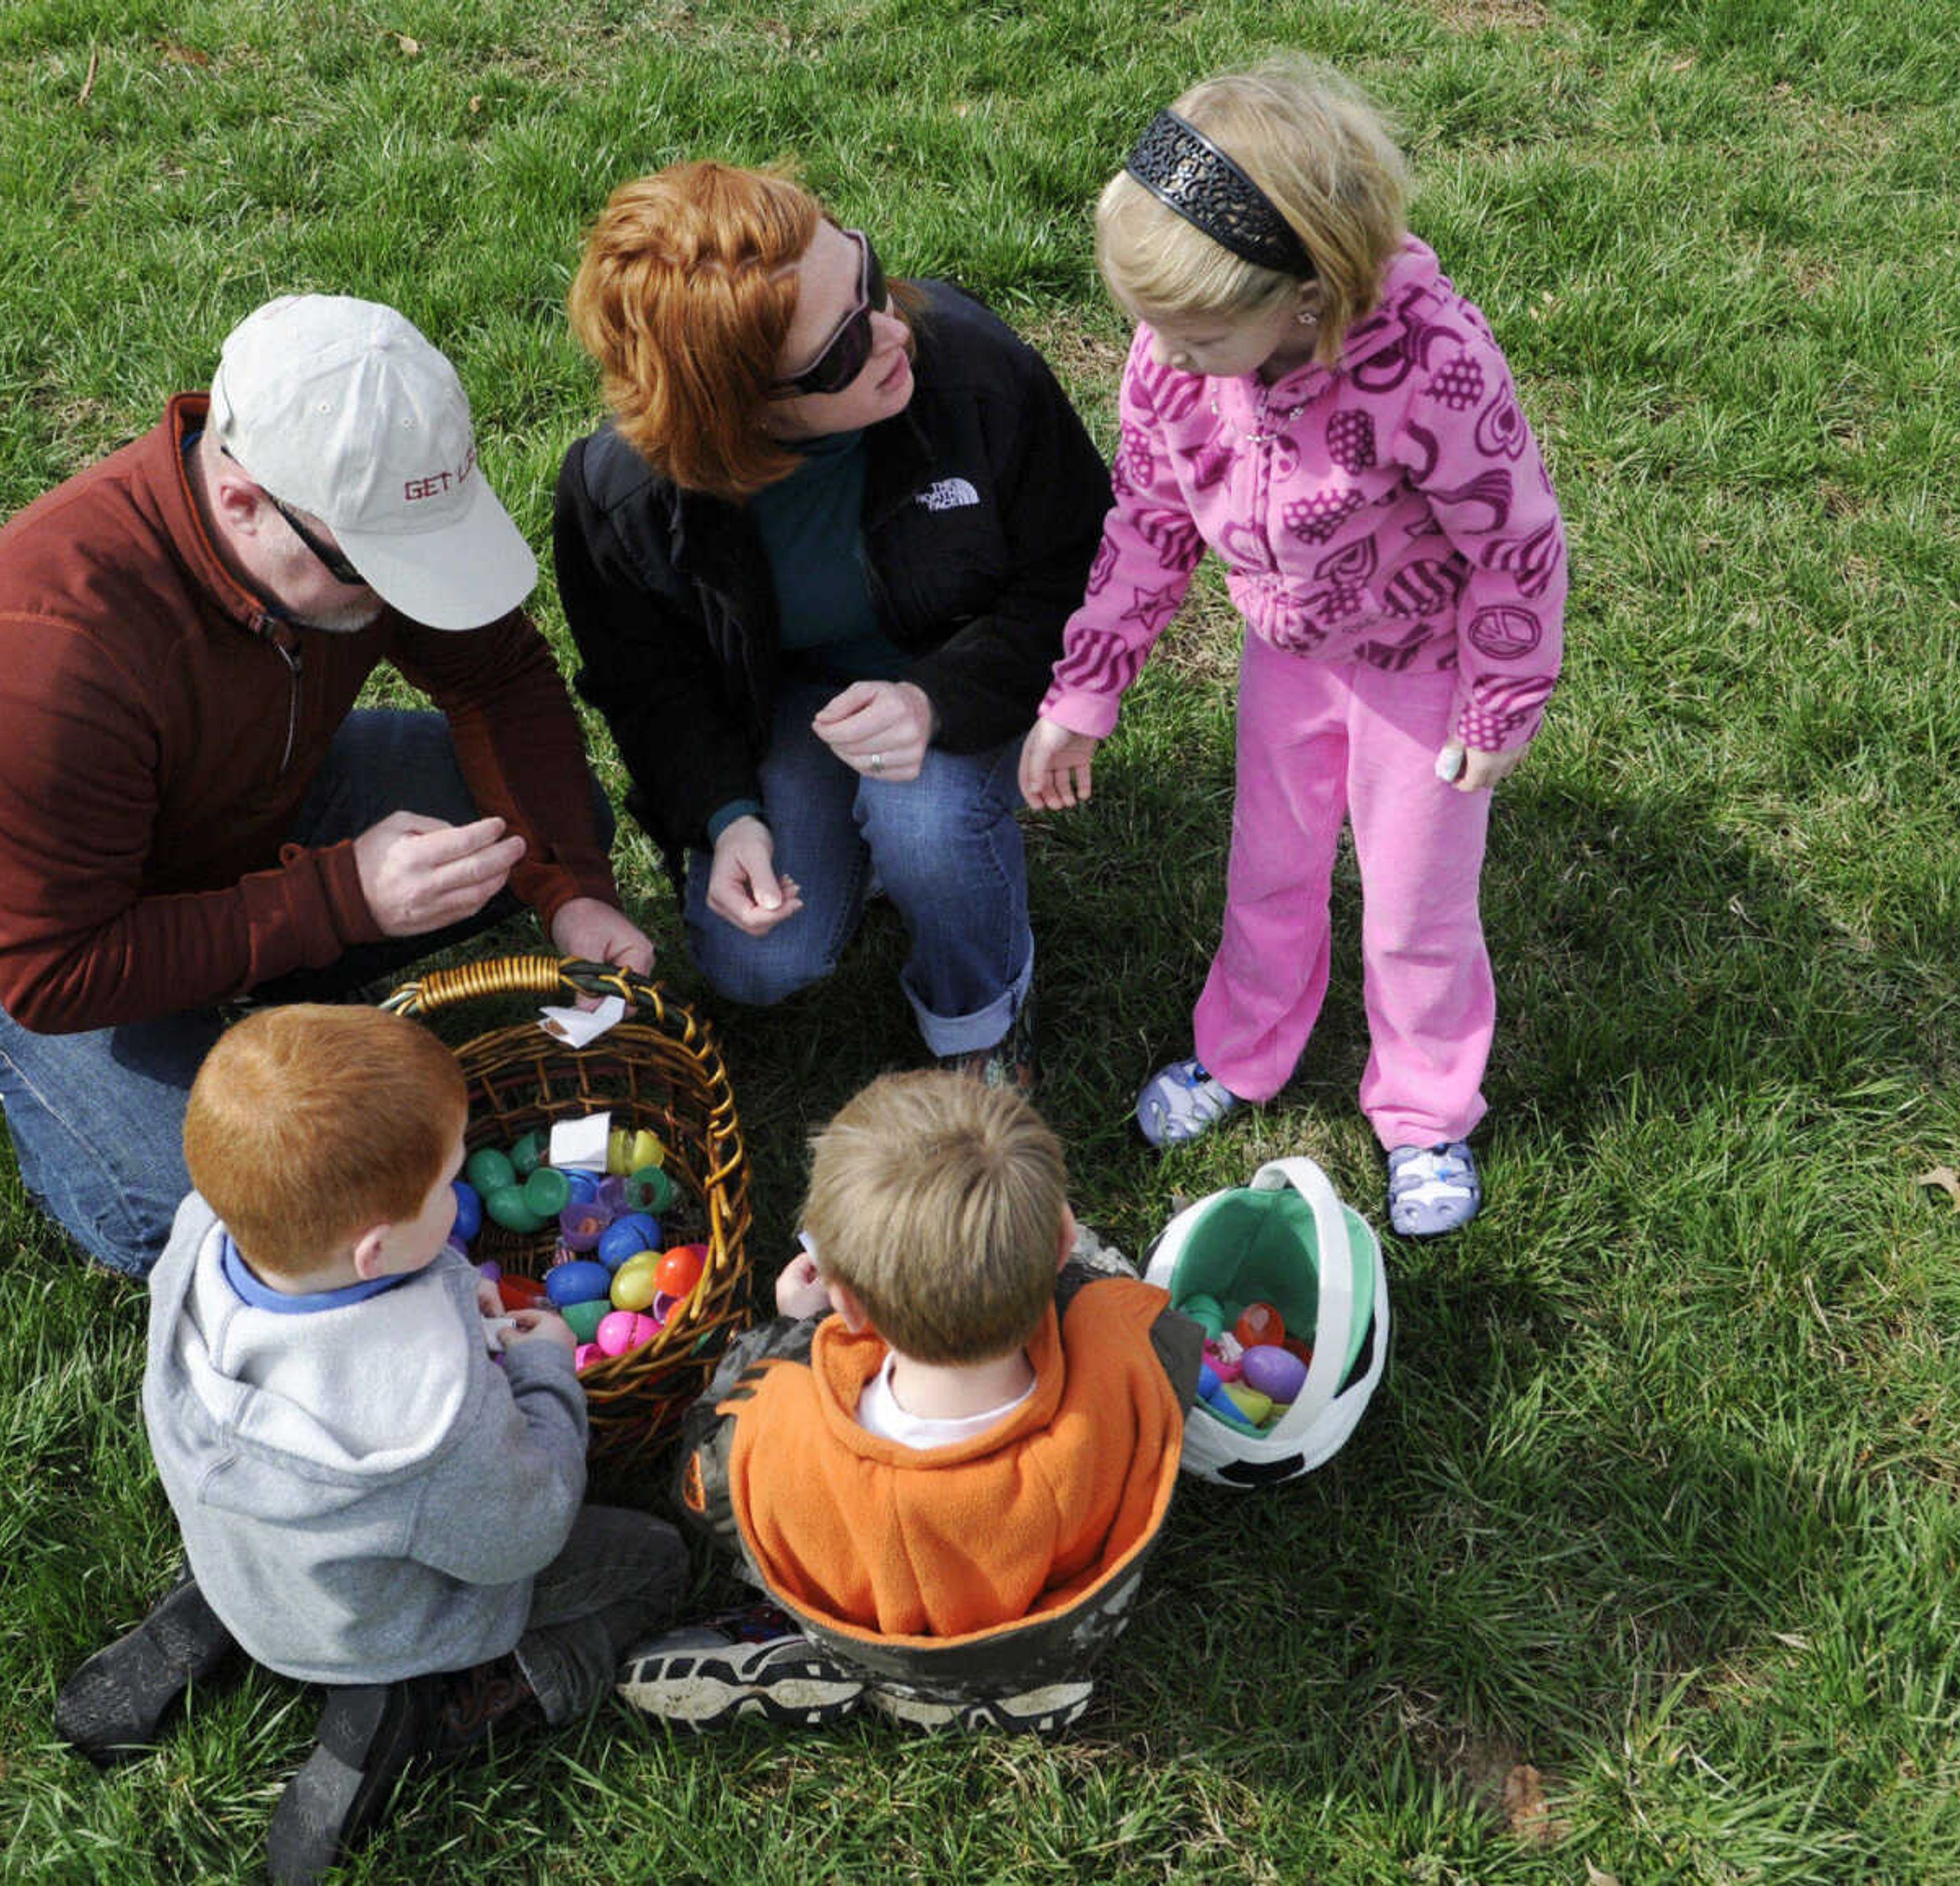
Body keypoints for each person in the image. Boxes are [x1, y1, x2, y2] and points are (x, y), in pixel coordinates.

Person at [0, 295, 653, 1277]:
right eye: (371, 571)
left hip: (259, 801)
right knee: (236, 1214)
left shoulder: (339, 521)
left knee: (540, 822)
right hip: (37, 947)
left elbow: (496, 674)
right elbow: (52, 969)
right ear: (243, 501)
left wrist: (570, 885)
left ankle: (257, 979)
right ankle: (154, 1068)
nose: (397, 600)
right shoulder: (41, 662)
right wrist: (340, 897)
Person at [1018, 62, 1567, 1236]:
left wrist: (1499, 701)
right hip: (1291, 659)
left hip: (1424, 667)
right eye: (1148, 324)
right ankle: (1245, 1048)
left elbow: (1515, 541)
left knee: (1417, 902)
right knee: (1269, 865)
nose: (1162, 351)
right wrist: (1087, 689)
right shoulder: (1177, 355)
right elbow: (1151, 520)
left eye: (1199, 329)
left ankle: (1426, 1111)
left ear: (1311, 295)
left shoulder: (1436, 361)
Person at [53, 1004, 687, 1880]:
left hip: (251, 1557)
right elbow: (525, 1531)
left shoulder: (205, 1237)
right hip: (384, 1619)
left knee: (284, 1552)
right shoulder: (426, 1411)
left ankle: (212, 1619)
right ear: (376, 1248)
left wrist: (448, 1293)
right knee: (655, 1561)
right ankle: (453, 1701)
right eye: (449, 1184)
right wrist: (543, 1374)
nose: (460, 1190)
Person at [553, 163, 1112, 1092]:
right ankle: (866, 848)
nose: (894, 328)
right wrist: (725, 816)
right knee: (755, 963)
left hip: (967, 666)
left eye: (868, 275)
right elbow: (649, 687)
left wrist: (939, 698)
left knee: (924, 820)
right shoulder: (623, 499)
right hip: (786, 710)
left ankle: (981, 1027)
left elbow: (1082, 571)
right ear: (741, 416)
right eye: (843, 348)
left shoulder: (971, 368)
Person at [615, 1071, 1198, 1735]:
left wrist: (792, 1333)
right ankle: (1009, 1680)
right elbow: (1147, 1330)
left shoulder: (779, 1425)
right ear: (1064, 1242)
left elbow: (705, 1487)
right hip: (1054, 1627)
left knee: (768, 1535)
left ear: (850, 1303)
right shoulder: (1125, 1362)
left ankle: (815, 1650)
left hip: (866, 1624)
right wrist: (1078, 1281)